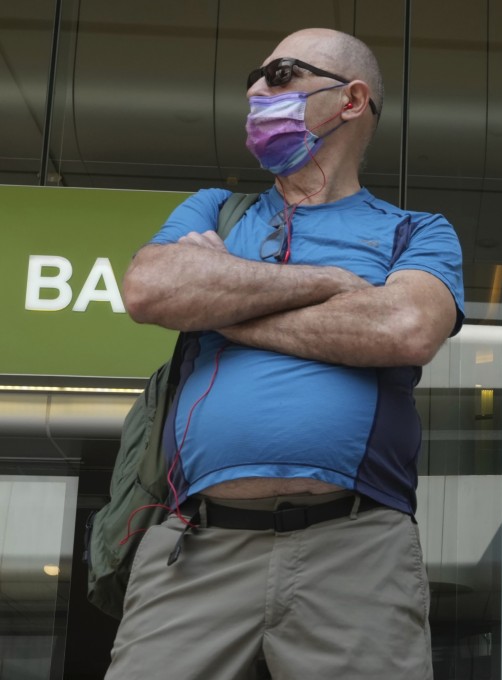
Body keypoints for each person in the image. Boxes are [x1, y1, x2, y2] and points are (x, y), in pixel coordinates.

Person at [107, 28, 463, 679]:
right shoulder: (215, 208)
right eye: (253, 77)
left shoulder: (416, 231)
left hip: (357, 548)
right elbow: (150, 289)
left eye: (279, 76)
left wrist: (222, 302)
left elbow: (405, 330)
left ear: (351, 99)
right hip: (193, 546)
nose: (254, 90)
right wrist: (330, 286)